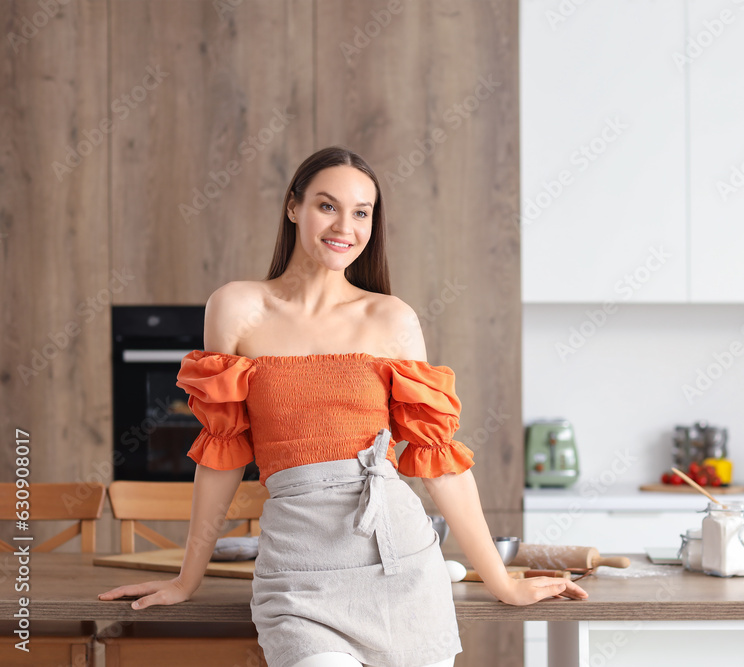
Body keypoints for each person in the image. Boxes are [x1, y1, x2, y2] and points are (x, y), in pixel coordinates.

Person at [98, 146, 588, 667]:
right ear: (293, 207)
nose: (345, 226)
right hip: (297, 572)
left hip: (400, 565)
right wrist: (187, 577)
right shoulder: (237, 307)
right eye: (327, 206)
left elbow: (440, 463)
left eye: (361, 212)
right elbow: (222, 455)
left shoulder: (392, 318)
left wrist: (503, 583)